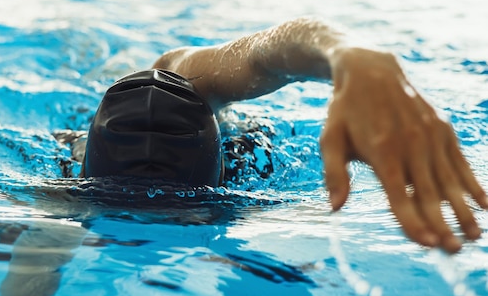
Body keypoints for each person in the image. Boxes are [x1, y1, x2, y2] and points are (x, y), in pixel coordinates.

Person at [55, 17, 486, 254]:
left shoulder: (187, 76)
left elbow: (269, 54)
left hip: (162, 78)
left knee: (113, 63)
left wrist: (349, 55)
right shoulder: (62, 187)